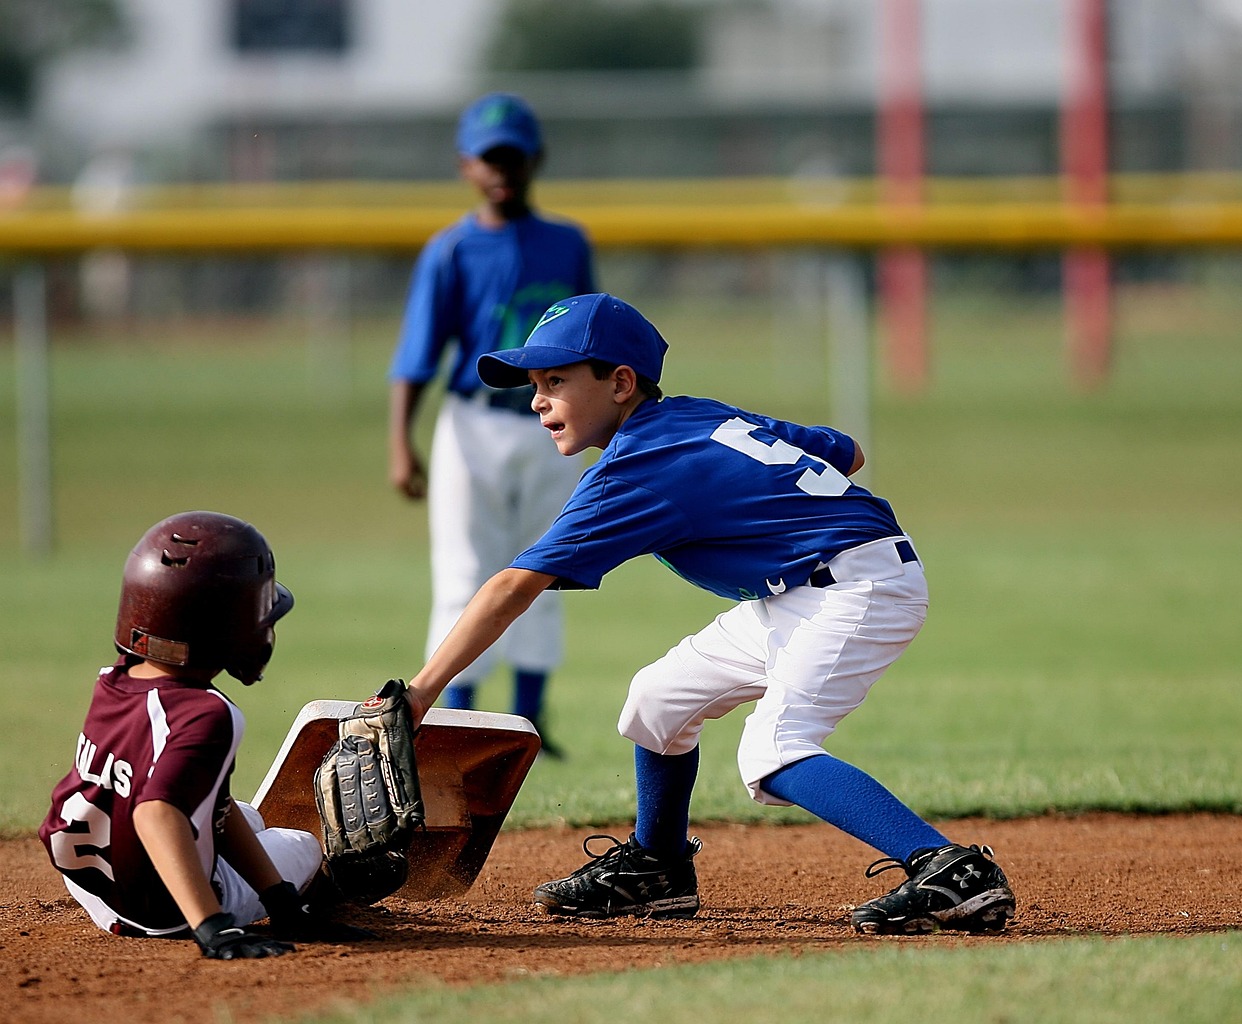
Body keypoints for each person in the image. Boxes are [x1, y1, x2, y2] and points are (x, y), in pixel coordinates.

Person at [396, 293, 1017, 935]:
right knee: (657, 700)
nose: (537, 401)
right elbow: (848, 452)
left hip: (856, 588)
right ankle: (657, 866)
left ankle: (948, 869)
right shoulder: (694, 417)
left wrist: (421, 691)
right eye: (534, 385)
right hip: (805, 588)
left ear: (620, 383)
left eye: (555, 380)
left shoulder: (636, 468)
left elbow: (510, 588)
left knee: (774, 751)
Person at [39, 511, 371, 959]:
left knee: (248, 815)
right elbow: (155, 813)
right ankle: (250, 902)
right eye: (259, 616)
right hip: (164, 912)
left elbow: (197, 801)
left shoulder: (116, 678)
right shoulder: (209, 714)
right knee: (303, 845)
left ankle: (261, 894)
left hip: (93, 887)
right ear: (223, 628)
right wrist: (213, 926)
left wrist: (280, 902)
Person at [388, 91, 595, 757]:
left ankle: (530, 724)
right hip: (472, 422)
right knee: (464, 571)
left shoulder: (567, 244)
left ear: (537, 159)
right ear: (465, 165)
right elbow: (418, 353)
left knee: (548, 566)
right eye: (488, 159)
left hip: (554, 424)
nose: (501, 170)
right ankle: (458, 721)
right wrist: (402, 442)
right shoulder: (451, 250)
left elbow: (592, 341)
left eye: (512, 157)